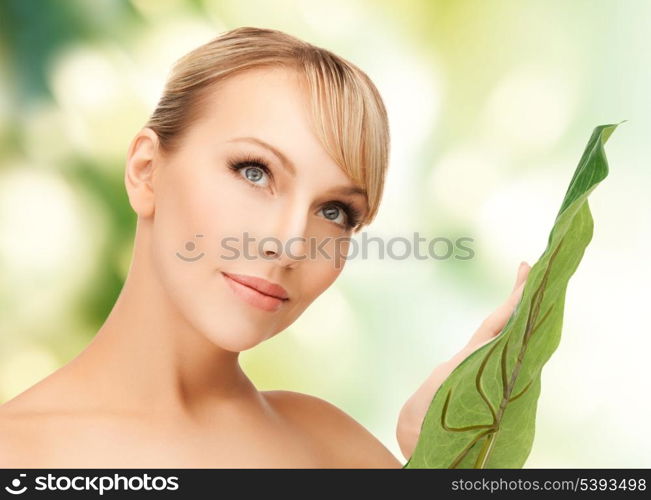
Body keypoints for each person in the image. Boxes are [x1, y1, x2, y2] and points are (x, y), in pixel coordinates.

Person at [0, 26, 530, 468]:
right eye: (254, 172)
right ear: (146, 172)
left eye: (335, 212)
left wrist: (442, 456)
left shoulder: (334, 449)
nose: (290, 244)